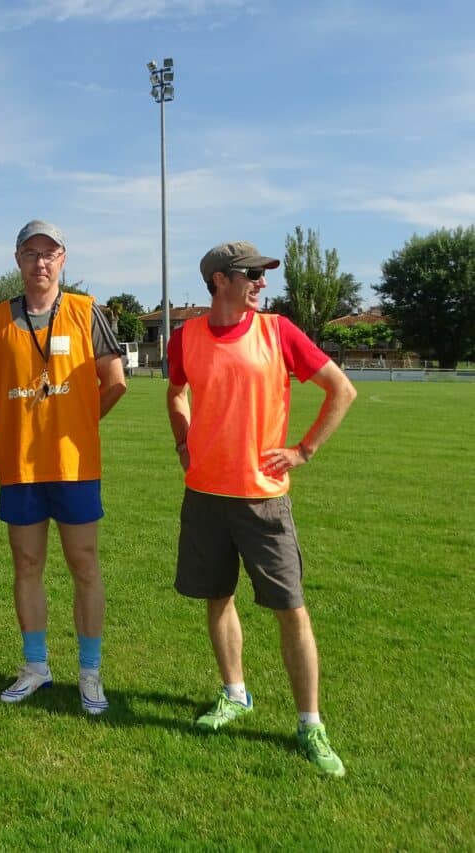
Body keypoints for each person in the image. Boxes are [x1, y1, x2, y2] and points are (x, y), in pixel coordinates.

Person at [166, 240, 357, 777]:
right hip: (205, 495)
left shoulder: (278, 331)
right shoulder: (186, 337)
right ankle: (234, 694)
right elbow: (175, 392)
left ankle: (310, 724)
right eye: (252, 273)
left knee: (291, 610)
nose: (262, 283)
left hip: (263, 500)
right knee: (217, 597)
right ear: (220, 280)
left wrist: (303, 450)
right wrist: (183, 441)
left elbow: (341, 390)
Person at [0, 220, 127, 714]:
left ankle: (90, 673)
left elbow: (115, 380)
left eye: (50, 253)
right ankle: (36, 666)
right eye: (30, 253)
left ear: (64, 259)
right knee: (27, 566)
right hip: (20, 466)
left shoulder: (86, 312)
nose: (40, 262)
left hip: (74, 464)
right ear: (17, 259)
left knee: (84, 565)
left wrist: (78, 420)